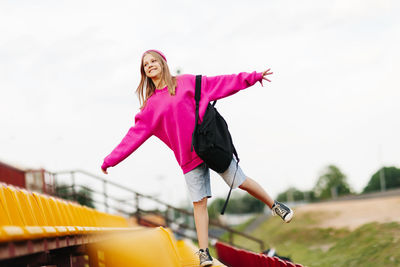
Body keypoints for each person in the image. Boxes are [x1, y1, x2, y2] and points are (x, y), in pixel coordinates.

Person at [101, 49, 294, 267]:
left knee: (238, 181)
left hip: (210, 145)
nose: (150, 65)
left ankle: (275, 205)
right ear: (144, 73)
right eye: (146, 64)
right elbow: (133, 137)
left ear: (163, 63)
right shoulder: (150, 107)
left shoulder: (186, 82)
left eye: (154, 61)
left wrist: (252, 77)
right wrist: (110, 160)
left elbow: (220, 83)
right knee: (199, 202)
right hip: (188, 157)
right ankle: (204, 252)